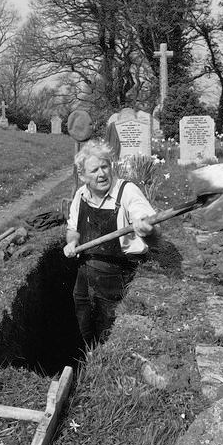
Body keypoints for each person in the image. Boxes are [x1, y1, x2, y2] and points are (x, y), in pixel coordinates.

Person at [63, 140, 160, 347]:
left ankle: (103, 361)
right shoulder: (81, 195)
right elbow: (73, 229)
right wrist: (72, 242)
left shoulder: (127, 191)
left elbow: (150, 227)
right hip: (86, 271)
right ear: (82, 176)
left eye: (105, 166)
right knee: (83, 321)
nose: (102, 174)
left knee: (108, 328)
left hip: (118, 274)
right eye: (94, 170)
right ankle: (88, 354)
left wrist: (146, 228)